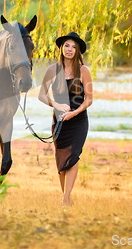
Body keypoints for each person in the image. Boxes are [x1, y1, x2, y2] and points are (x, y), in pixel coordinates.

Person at [38, 32, 93, 207]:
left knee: (73, 157)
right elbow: (41, 95)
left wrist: (74, 113)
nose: (70, 49)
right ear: (62, 48)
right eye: (67, 46)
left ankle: (65, 198)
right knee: (61, 160)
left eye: (74, 47)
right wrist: (55, 104)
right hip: (59, 122)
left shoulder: (84, 71)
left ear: (78, 51)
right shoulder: (52, 70)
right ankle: (67, 198)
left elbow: (89, 99)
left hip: (78, 121)